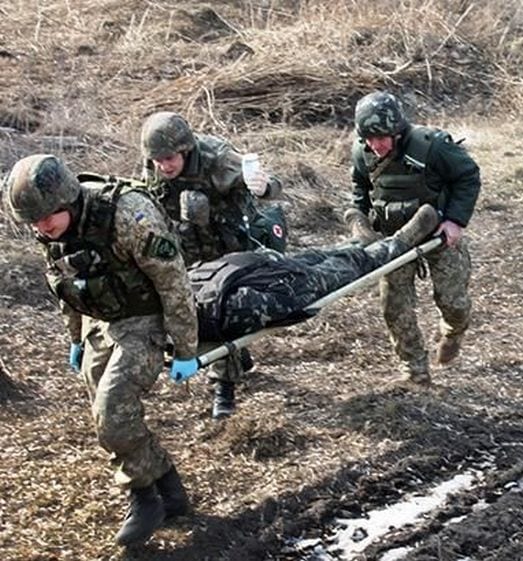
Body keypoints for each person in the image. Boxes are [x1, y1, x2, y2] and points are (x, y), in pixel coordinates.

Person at [2, 154, 200, 547]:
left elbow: (172, 279)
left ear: (67, 199)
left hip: (146, 316)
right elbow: (65, 286)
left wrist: (185, 346)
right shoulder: (49, 229)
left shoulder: (128, 214)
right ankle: (170, 489)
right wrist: (75, 338)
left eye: (48, 218)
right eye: (35, 222)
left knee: (112, 410)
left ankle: (144, 499)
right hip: (102, 320)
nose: (42, 228)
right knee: (106, 416)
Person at [140, 110, 285, 418]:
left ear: (185, 150)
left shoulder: (217, 158)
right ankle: (236, 357)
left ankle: (224, 387)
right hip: (188, 244)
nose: (164, 166)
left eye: (170, 159)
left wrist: (263, 186)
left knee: (217, 306)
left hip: (228, 240)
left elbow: (271, 187)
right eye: (158, 160)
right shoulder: (152, 165)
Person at [345, 91, 480, 385]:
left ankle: (452, 332)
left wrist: (455, 221)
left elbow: (467, 175)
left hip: (439, 235)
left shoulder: (431, 146)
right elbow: (360, 189)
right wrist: (361, 222)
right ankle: (414, 368)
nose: (374, 145)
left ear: (396, 130)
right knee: (394, 307)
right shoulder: (363, 152)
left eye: (381, 138)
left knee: (454, 303)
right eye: (368, 138)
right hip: (393, 241)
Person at [185, 204, 441, 354]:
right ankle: (381, 242)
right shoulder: (191, 292)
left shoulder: (190, 301)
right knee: (340, 261)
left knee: (338, 260)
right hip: (272, 274)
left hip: (268, 274)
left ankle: (378, 241)